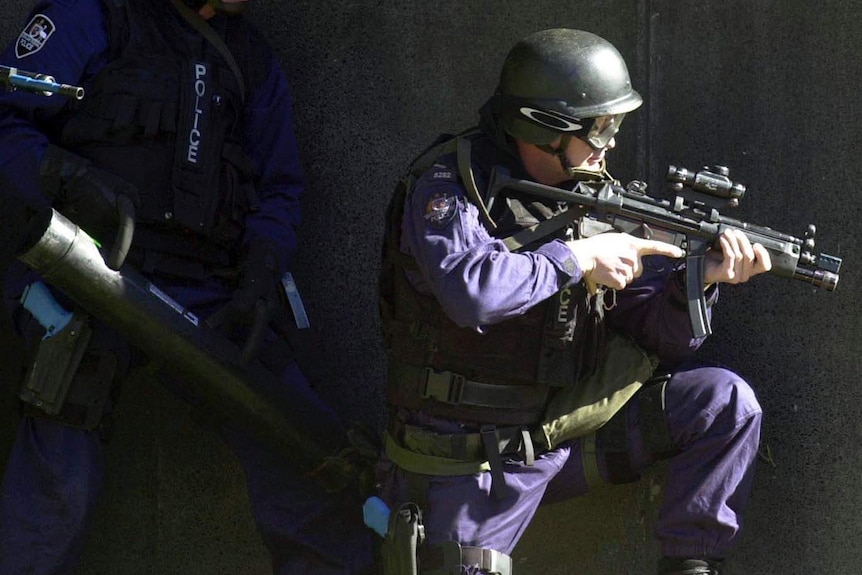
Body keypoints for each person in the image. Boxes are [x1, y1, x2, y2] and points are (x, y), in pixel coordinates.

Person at [376, 28, 771, 575]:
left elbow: (651, 336)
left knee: (724, 403)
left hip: (560, 436)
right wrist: (579, 259)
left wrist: (696, 284)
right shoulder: (453, 187)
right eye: (601, 127)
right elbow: (470, 291)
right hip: (468, 462)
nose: (611, 142)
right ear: (546, 129)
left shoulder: (589, 192)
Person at [0, 0, 374, 573]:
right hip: (86, 273)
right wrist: (63, 174)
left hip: (209, 290)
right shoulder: (92, 16)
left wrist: (261, 267)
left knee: (298, 443)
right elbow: (6, 122)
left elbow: (280, 187)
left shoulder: (248, 55)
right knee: (61, 467)